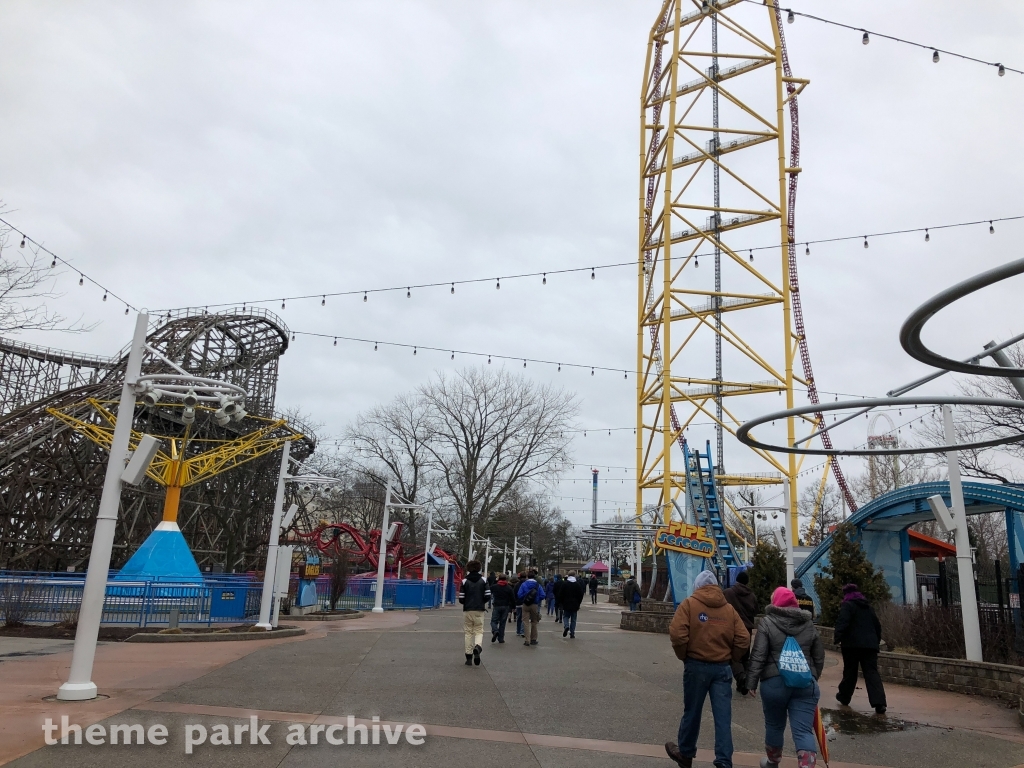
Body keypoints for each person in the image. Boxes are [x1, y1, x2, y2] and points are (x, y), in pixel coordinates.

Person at [665, 570, 750, 768]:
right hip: (722, 668)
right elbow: (743, 638)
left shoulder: (689, 604)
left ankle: (686, 753)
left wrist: (684, 655)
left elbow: (677, 634)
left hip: (696, 665)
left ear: (697, 586)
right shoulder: (728, 609)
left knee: (692, 711)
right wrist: (732, 657)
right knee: (723, 717)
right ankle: (724, 760)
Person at [746, 587, 825, 768]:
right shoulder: (808, 624)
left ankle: (772, 762)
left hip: (774, 682)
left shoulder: (767, 622)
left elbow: (758, 654)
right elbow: (819, 656)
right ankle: (806, 765)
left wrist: (751, 682)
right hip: (804, 683)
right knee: (803, 730)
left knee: (774, 725)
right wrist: (813, 677)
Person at [834, 582, 887, 714]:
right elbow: (877, 625)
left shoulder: (847, 605)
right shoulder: (868, 607)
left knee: (850, 672)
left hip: (851, 645)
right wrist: (876, 640)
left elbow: (842, 622)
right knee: (872, 673)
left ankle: (844, 696)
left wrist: (837, 638)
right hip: (870, 645)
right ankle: (879, 703)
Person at [723, 570, 758, 694]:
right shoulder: (752, 596)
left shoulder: (728, 593)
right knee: (745, 658)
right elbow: (755, 611)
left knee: (734, 657)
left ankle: (741, 678)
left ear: (737, 580)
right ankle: (745, 683)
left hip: (733, 629)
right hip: (747, 630)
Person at [458, 560, 491, 667]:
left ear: (468, 568)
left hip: (468, 609)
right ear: (479, 568)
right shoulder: (484, 580)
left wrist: (466, 602)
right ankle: (478, 647)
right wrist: (481, 602)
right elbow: (488, 595)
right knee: (479, 631)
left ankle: (468, 657)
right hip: (479, 609)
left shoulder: (464, 581)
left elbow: (461, 598)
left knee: (468, 633)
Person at [516, 569, 544, 646]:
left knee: (525, 622)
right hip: (534, 604)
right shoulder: (537, 585)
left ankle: (527, 640)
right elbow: (542, 595)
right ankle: (533, 639)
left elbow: (519, 594)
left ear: (527, 576)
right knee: (534, 622)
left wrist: (525, 598)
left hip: (526, 604)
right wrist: (537, 599)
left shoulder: (524, 584)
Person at [560, 570, 586, 638]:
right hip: (575, 604)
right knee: (573, 619)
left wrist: (562, 602)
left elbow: (561, 594)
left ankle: (566, 626)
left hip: (566, 603)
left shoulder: (565, 584)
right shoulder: (577, 585)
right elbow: (581, 595)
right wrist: (579, 603)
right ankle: (572, 633)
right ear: (574, 575)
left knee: (565, 616)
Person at [490, 573, 515, 644]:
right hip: (506, 606)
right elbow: (512, 598)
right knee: (502, 623)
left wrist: (495, 581)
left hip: (497, 605)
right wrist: (513, 607)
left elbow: (489, 590)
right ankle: (501, 639)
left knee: (494, 621)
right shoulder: (509, 588)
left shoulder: (495, 587)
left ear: (498, 579)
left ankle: (495, 630)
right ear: (506, 579)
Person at [512, 571, 526, 637]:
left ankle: (518, 631)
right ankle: (522, 631)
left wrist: (514, 603)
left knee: (519, 617)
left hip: (518, 603)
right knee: (524, 618)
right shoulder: (527, 584)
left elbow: (514, 594)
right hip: (525, 602)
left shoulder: (517, 585)